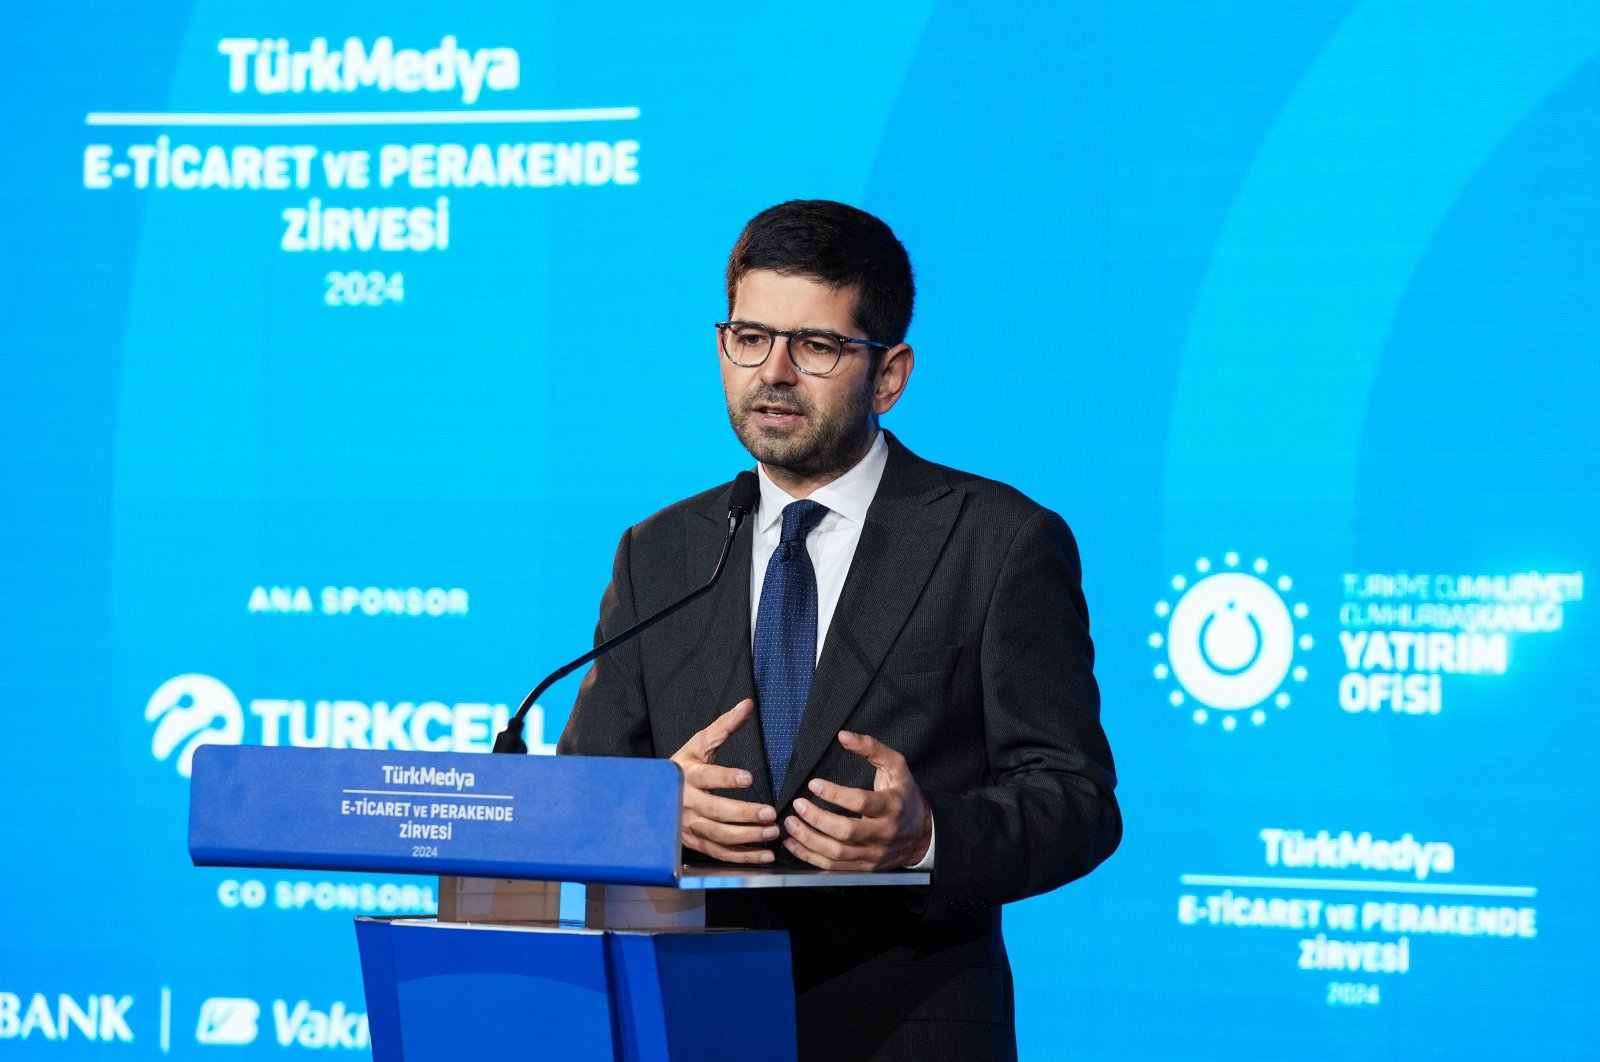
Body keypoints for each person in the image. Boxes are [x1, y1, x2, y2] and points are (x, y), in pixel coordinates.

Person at [559, 199, 1120, 1061]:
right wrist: (654, 808)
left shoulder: (998, 542)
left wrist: (928, 835)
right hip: (690, 1018)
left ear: (889, 374)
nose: (773, 372)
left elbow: (1076, 800)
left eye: (815, 346)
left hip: (908, 1025)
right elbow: (579, 791)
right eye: (750, 337)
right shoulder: (661, 552)